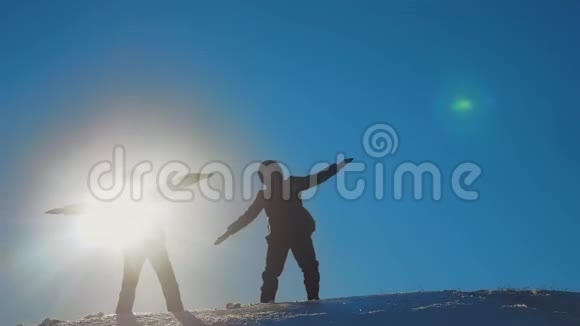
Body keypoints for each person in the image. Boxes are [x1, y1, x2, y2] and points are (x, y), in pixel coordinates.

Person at [47, 172, 212, 313]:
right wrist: (64, 210)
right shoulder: (119, 201)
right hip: (135, 245)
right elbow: (89, 207)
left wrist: (199, 176)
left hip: (150, 244)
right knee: (131, 283)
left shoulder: (149, 194)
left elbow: (176, 183)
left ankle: (176, 312)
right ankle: (123, 315)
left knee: (164, 280)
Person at [214, 158, 353, 303]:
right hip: (279, 237)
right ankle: (267, 303)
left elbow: (315, 179)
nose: (272, 175)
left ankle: (313, 299)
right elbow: (248, 216)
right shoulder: (265, 194)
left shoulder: (290, 184)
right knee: (273, 272)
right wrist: (229, 231)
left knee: (308, 267)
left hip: (298, 233)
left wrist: (336, 167)